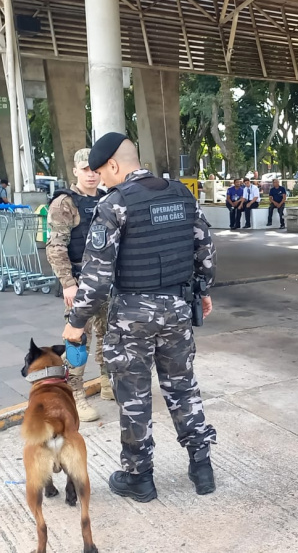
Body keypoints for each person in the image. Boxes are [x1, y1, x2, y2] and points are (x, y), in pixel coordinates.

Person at [62, 132, 217, 501]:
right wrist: (203, 290)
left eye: (102, 172)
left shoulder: (115, 204)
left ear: (114, 165)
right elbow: (206, 248)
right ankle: (202, 467)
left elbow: (97, 276)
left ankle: (139, 478)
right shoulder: (181, 194)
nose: (101, 179)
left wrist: (76, 321)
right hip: (177, 308)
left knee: (134, 396)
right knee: (183, 387)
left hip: (132, 316)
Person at [45, 148, 111, 422]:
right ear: (75, 171)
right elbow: (55, 247)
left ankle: (108, 383)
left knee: (110, 334)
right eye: (85, 170)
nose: (91, 174)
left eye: (95, 169)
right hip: (80, 281)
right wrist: (68, 284)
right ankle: (75, 394)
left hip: (107, 280)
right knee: (77, 339)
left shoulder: (107, 199)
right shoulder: (65, 203)